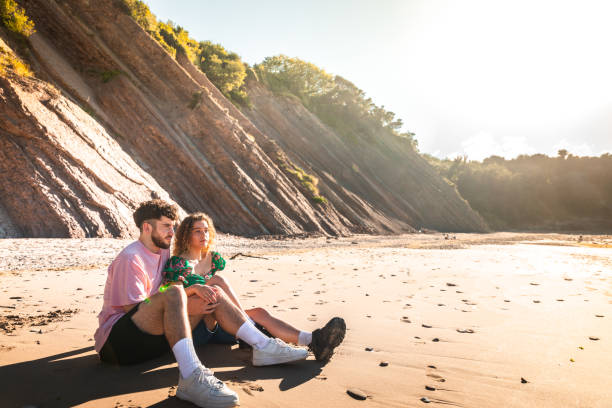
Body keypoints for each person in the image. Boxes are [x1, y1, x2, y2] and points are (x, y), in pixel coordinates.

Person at [94, 200, 309, 408]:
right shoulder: (131, 258)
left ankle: (263, 346)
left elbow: (159, 294)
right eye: (167, 226)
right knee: (176, 291)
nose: (172, 231)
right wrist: (184, 294)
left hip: (153, 342)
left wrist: (193, 293)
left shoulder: (162, 252)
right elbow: (135, 308)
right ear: (147, 227)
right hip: (119, 344)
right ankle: (191, 377)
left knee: (211, 291)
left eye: (174, 226)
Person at [164, 212, 346, 363]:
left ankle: (313, 340)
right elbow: (173, 296)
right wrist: (196, 288)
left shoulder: (212, 258)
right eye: (197, 231)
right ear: (187, 235)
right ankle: (252, 328)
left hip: (221, 322)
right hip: (196, 326)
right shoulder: (179, 263)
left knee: (259, 312)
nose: (203, 235)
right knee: (216, 281)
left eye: (206, 230)